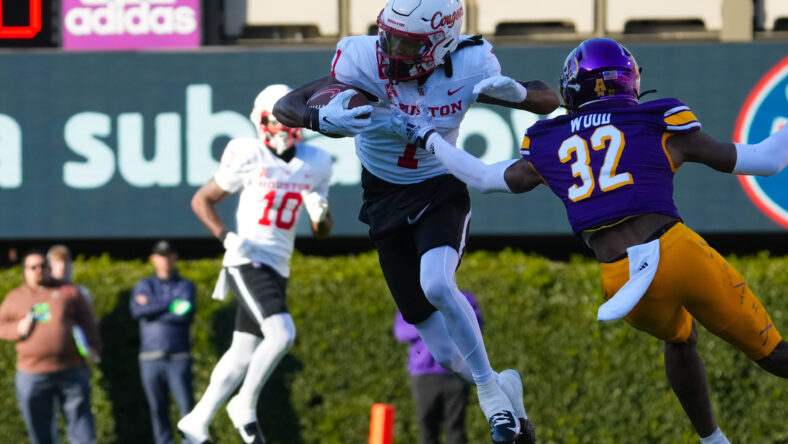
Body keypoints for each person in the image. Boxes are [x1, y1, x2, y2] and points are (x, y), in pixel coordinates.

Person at [390, 37, 788, 443]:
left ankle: (712, 440)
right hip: (675, 250)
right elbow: (766, 160)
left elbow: (482, 177)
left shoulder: (549, 139)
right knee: (775, 356)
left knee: (680, 339)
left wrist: (429, 137)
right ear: (627, 81)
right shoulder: (656, 118)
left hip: (620, 280)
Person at [273, 1, 558, 442]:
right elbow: (285, 105)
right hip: (383, 197)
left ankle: (490, 395)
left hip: (438, 187)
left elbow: (547, 98)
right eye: (388, 35)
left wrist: (518, 94)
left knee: (438, 284)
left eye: (406, 42)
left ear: (441, 42)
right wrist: (316, 116)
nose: (391, 48)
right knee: (444, 354)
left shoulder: (469, 64)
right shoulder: (363, 61)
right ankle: (507, 393)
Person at [178, 83, 334, 444]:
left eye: (287, 120)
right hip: (247, 259)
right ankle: (243, 405)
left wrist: (320, 214)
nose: (282, 127)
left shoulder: (315, 162)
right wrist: (225, 238)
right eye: (275, 120)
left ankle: (196, 420)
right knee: (281, 333)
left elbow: (323, 231)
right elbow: (202, 199)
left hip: (279, 265)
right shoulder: (247, 153)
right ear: (261, 120)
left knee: (242, 352)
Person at [0, 250, 101, 444]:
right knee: (39, 427)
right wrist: (18, 328)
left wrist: (94, 346)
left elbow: (88, 321)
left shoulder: (68, 291)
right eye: (33, 267)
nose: (39, 270)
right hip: (33, 372)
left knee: (80, 421)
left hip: (71, 368)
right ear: (25, 272)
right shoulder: (15, 297)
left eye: (43, 266)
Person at [395, 289, 489, 444]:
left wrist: (430, 322)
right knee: (427, 428)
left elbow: (476, 326)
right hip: (424, 374)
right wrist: (436, 322)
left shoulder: (463, 298)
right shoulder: (412, 296)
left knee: (456, 428)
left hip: (457, 373)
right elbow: (401, 331)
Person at [130, 240, 197, 444]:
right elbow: (139, 311)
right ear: (153, 259)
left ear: (175, 257)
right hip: (150, 358)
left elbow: (184, 314)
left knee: (187, 408)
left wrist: (154, 308)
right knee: (157, 410)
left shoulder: (186, 285)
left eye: (169, 255)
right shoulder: (143, 285)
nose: (165, 260)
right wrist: (170, 305)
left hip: (178, 357)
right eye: (161, 255)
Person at [47, 244, 93, 309]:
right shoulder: (44, 291)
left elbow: (87, 316)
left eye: (65, 261)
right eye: (57, 261)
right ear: (50, 264)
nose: (62, 266)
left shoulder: (81, 292)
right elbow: (39, 317)